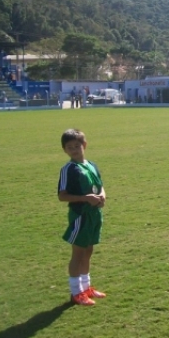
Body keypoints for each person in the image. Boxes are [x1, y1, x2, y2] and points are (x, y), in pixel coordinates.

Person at [58, 129, 107, 306]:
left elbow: (100, 186)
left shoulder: (91, 165)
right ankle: (75, 292)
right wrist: (85, 198)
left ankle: (86, 288)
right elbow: (62, 196)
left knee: (88, 251)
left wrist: (102, 196)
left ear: (84, 145)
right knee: (78, 254)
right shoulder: (68, 169)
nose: (74, 150)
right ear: (65, 150)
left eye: (77, 146)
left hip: (94, 214)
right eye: (69, 147)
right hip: (80, 216)